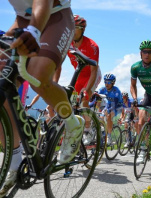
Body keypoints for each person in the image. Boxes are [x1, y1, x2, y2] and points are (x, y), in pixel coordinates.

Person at [0, 1, 84, 196]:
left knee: (38, 76)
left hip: (55, 17)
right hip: (22, 19)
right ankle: (13, 163)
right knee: (3, 85)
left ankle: (72, 122)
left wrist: (35, 31)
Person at [67, 14, 102, 140]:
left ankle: (88, 130)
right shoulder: (67, 42)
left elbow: (93, 71)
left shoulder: (92, 46)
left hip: (93, 74)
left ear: (82, 29)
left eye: (74, 27)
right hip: (79, 75)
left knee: (83, 100)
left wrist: (87, 91)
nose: (71, 30)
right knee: (70, 103)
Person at [99, 73, 123, 145]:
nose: (107, 84)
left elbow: (115, 104)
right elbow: (95, 98)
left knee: (109, 116)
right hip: (108, 105)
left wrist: (108, 110)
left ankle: (109, 137)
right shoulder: (102, 89)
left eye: (109, 82)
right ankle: (103, 132)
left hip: (117, 107)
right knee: (101, 117)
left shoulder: (116, 91)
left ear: (113, 83)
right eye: (105, 82)